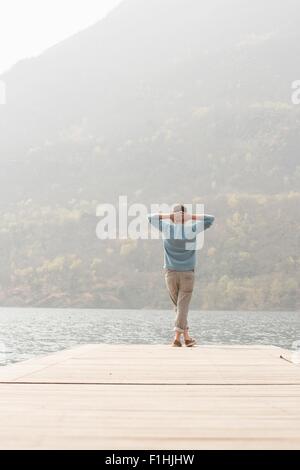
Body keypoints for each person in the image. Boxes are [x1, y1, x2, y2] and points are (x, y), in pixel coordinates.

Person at [147, 204, 215, 347]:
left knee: (179, 307)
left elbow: (150, 217)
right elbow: (210, 219)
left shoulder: (167, 228)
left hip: (171, 274)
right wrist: (191, 217)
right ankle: (183, 338)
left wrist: (169, 216)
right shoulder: (192, 229)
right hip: (187, 274)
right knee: (181, 306)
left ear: (174, 216)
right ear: (185, 217)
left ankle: (179, 338)